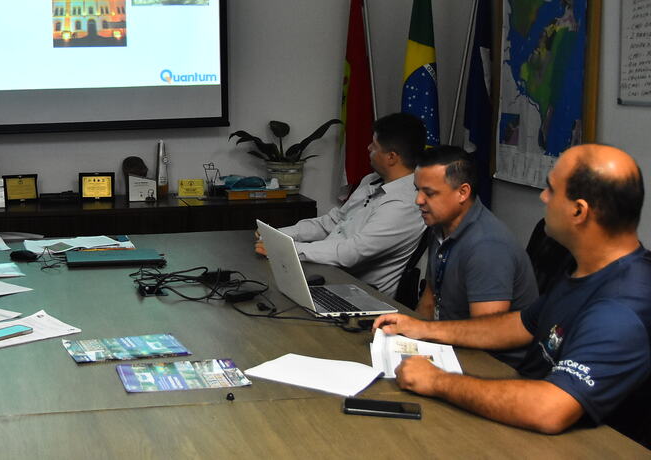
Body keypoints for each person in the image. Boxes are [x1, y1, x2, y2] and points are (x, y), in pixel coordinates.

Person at [374, 144, 651, 435]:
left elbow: (551, 409)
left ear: (579, 211)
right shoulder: (587, 268)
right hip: (528, 411)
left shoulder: (621, 307)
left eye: (551, 190)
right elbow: (519, 324)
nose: (543, 197)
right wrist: (424, 329)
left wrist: (437, 380)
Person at [255, 113, 427, 297]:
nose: (368, 148)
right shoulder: (372, 181)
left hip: (358, 295)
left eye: (374, 145)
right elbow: (331, 222)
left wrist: (288, 249)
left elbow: (352, 252)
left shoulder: (406, 204)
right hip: (327, 276)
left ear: (391, 157)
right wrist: (278, 235)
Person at [412, 145, 537, 365]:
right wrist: (406, 340)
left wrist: (424, 333)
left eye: (429, 193)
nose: (418, 200)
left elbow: (486, 335)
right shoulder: (440, 226)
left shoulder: (487, 246)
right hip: (451, 347)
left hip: (496, 365)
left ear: (463, 192)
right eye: (417, 190)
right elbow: (430, 299)